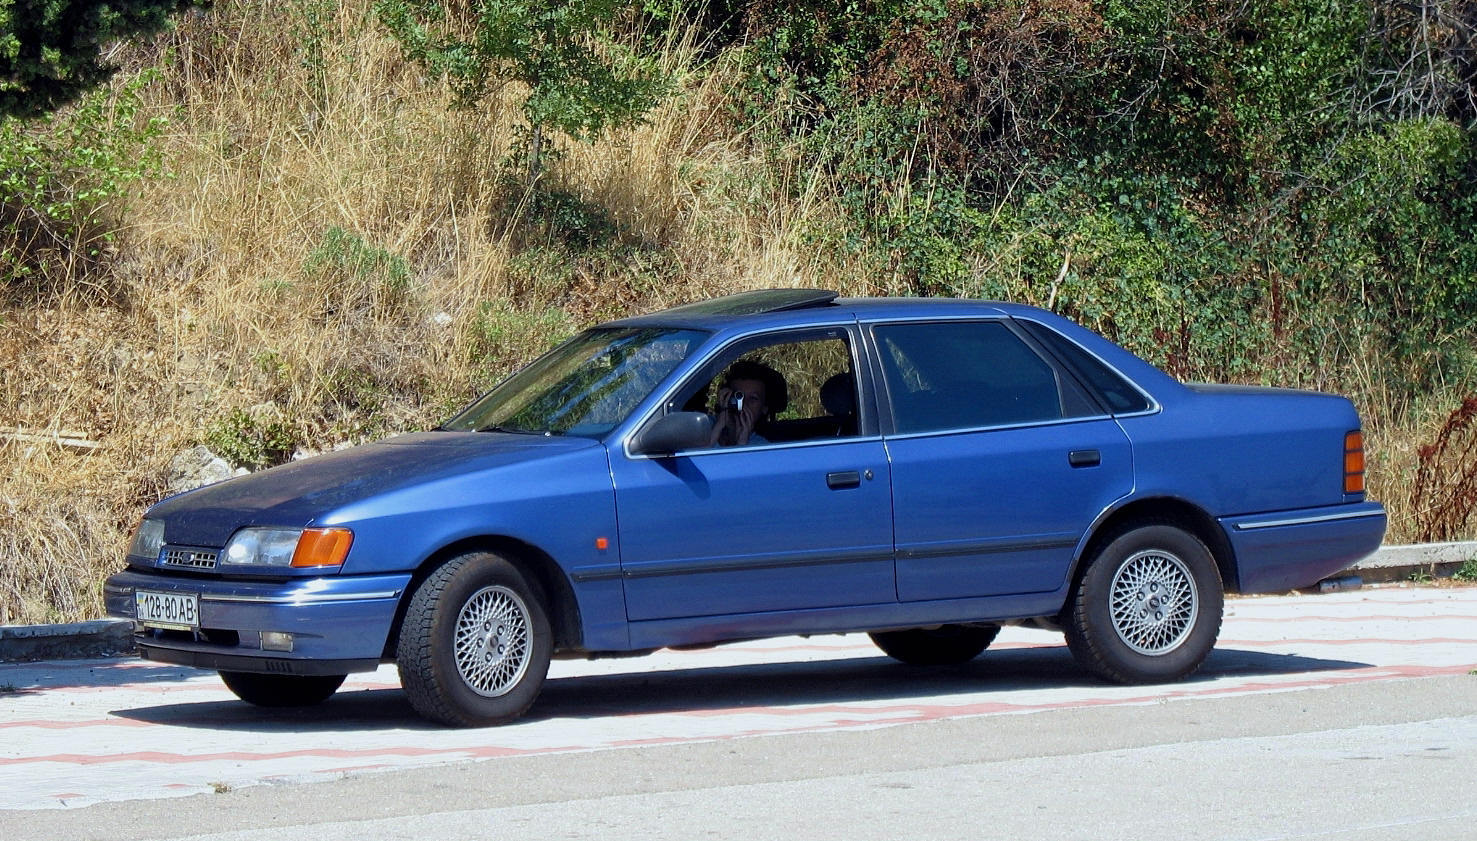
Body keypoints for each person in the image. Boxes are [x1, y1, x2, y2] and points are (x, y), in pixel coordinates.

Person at [708, 359, 786, 447]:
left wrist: (742, 443)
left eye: (753, 398)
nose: (744, 404)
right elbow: (693, 459)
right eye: (738, 396)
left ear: (764, 408)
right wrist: (719, 426)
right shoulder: (703, 425)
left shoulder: (761, 446)